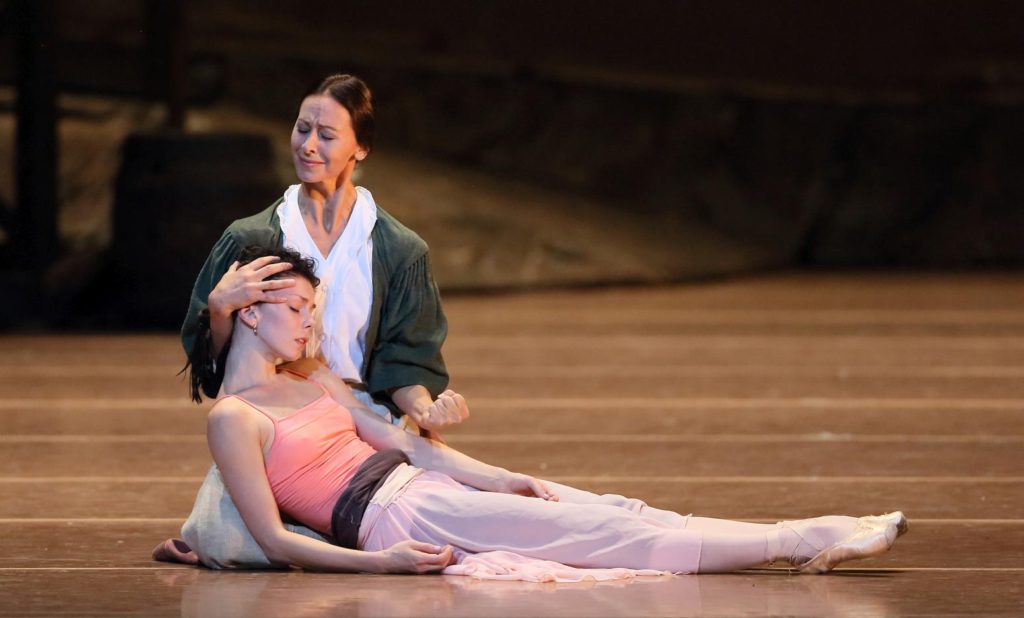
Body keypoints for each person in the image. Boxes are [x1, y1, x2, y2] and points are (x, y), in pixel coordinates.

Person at [168, 73, 687, 569]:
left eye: (326, 134)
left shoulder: (398, 248)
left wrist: (424, 407)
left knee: (502, 511)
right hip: (285, 425)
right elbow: (221, 374)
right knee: (233, 542)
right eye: (302, 128)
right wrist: (219, 309)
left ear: (361, 149)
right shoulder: (252, 236)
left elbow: (405, 358)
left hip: (365, 419)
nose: (308, 144)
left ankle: (634, 521)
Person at [197, 245, 908, 582]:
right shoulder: (235, 417)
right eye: (296, 311)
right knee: (600, 532)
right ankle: (796, 538)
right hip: (393, 519)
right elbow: (276, 539)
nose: (310, 326)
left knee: (614, 507)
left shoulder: (313, 374)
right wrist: (378, 563)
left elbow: (406, 445)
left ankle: (809, 533)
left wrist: (500, 475)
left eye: (313, 312)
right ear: (250, 313)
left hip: (424, 487)